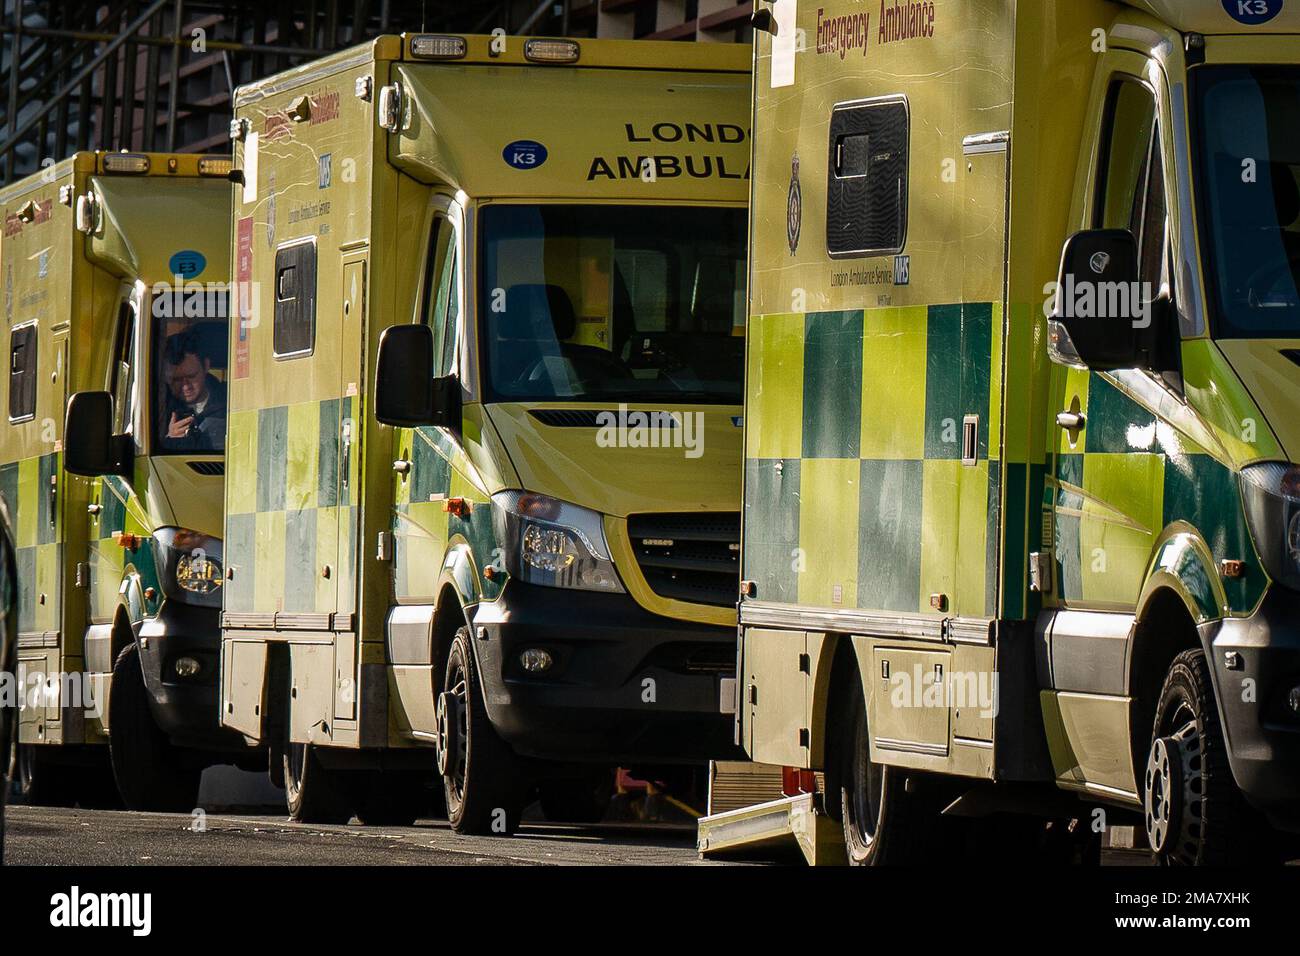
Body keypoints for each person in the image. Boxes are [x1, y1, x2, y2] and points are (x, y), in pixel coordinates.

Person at [161, 331, 226, 452]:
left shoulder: (231, 402)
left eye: (191, 376)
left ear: (206, 366)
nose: (185, 386)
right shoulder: (156, 411)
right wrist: (170, 440)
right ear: (165, 376)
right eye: (176, 380)